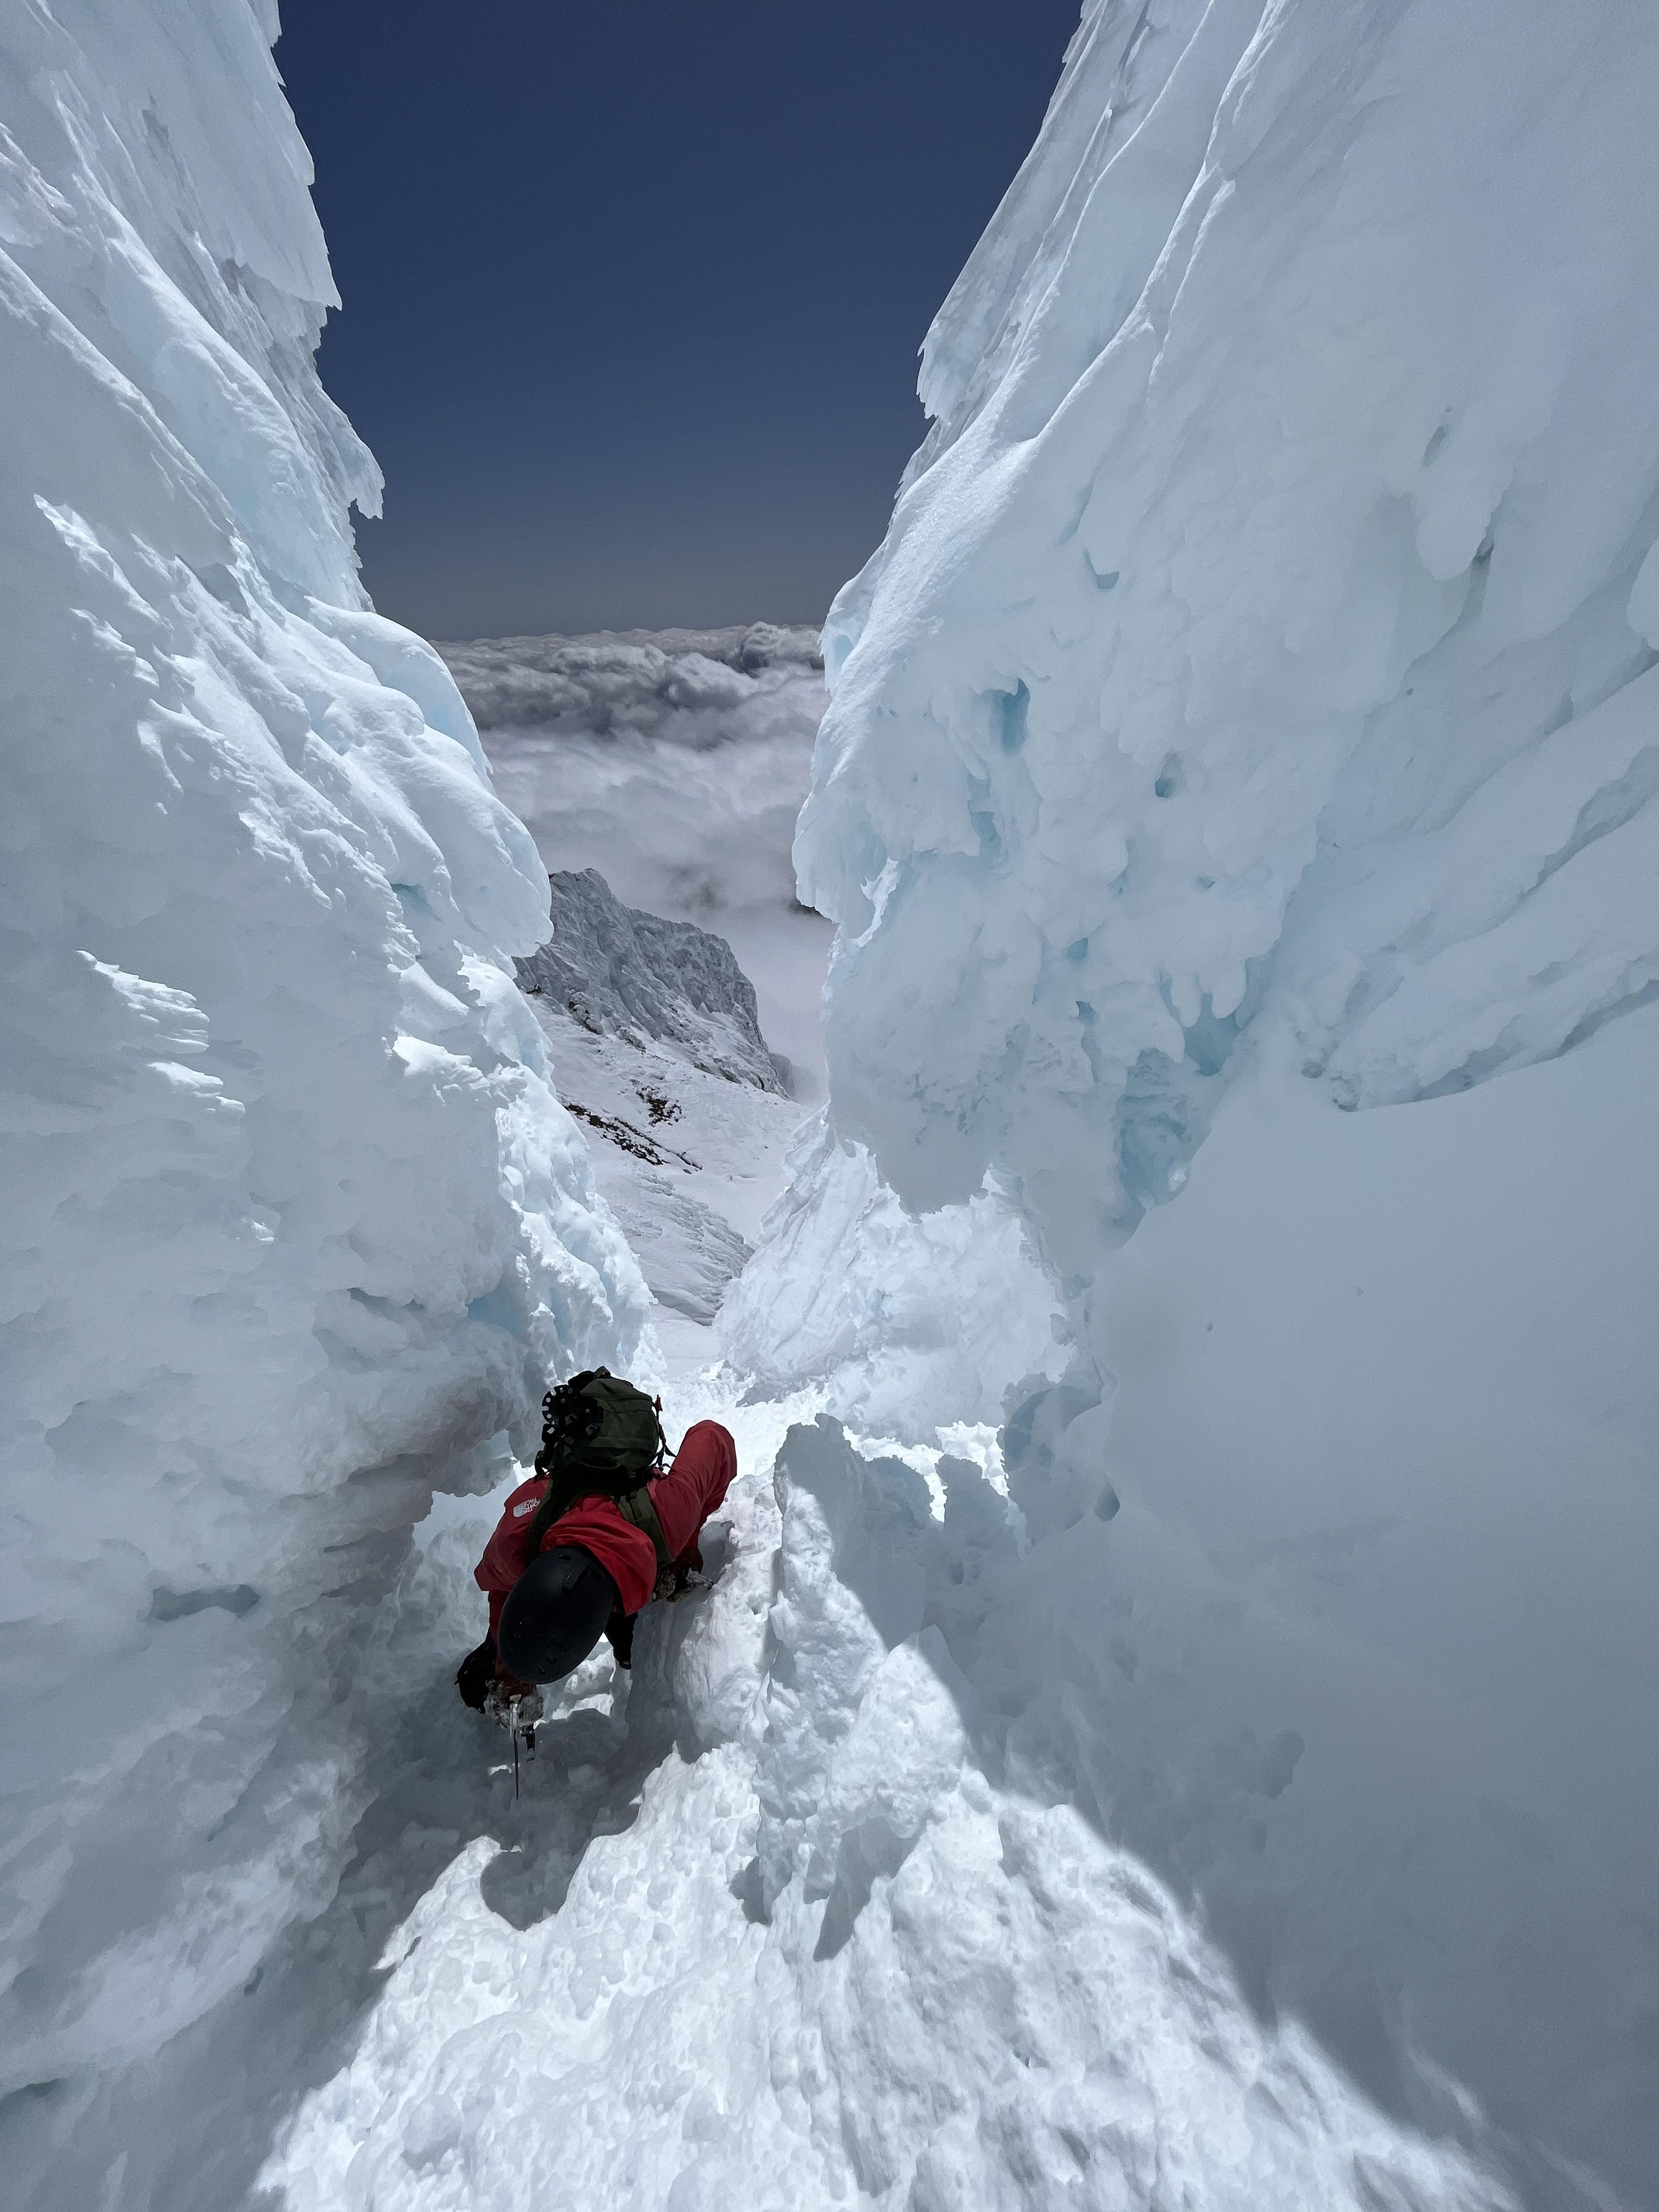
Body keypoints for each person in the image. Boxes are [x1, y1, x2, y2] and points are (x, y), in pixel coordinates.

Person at [455, 1379, 736, 1707]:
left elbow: (713, 1436)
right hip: (564, 1558)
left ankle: (623, 1642)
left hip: (628, 1562)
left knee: (637, 1654)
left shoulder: (668, 1516)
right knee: (476, 1686)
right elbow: (502, 1589)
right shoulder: (519, 1536)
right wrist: (508, 1669)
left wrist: (686, 1548)